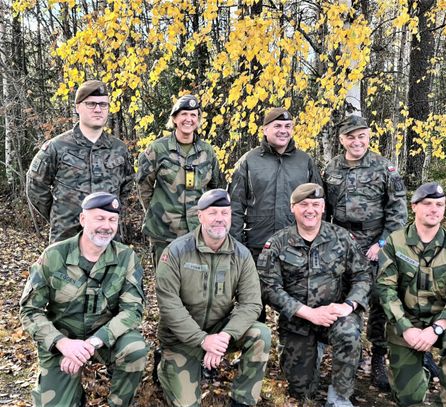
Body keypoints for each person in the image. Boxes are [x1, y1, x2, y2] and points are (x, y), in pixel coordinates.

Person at [19, 192, 148, 407]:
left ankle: (120, 403)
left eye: (112, 219)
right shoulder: (54, 256)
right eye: (100, 218)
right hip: (63, 340)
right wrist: (62, 344)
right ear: (82, 219)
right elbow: (30, 310)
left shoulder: (126, 257)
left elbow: (132, 310)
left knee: (135, 348)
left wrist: (93, 343)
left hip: (104, 338)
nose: (106, 226)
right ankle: (73, 393)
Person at [155, 189, 271, 407]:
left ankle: (242, 400)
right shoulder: (176, 252)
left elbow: (251, 303)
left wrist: (225, 336)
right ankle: (164, 366)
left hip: (219, 331)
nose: (220, 218)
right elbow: (169, 306)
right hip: (181, 338)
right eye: (213, 213)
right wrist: (203, 340)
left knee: (260, 334)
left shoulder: (241, 255)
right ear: (200, 216)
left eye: (225, 213)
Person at [258, 183, 371, 407]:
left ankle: (340, 396)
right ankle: (312, 354)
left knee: (348, 331)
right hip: (298, 321)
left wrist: (348, 305)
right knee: (301, 391)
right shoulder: (277, 243)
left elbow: (363, 275)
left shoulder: (342, 238)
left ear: (323, 208)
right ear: (293, 208)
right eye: (304, 205)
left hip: (334, 316)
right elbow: (269, 287)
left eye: (315, 204)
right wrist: (308, 313)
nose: (310, 210)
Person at [323, 114, 409, 390]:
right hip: (342, 243)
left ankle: (378, 357)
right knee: (346, 298)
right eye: (351, 137)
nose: (357, 142)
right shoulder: (332, 168)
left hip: (375, 243)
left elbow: (398, 212)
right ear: (341, 140)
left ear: (369, 137)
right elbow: (324, 210)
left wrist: (382, 243)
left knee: (379, 302)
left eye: (362, 136)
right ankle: (351, 352)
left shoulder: (384, 168)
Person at [376, 182, 446, 406]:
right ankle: (417, 376)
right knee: (408, 399)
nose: (434, 209)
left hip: (442, 320)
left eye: (440, 205)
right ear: (414, 206)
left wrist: (437, 327)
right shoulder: (395, 242)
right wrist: (405, 327)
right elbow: (385, 288)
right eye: (428, 203)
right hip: (405, 320)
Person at [26, 80, 134, 243]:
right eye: (91, 104)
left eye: (103, 104)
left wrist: (111, 214)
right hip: (67, 239)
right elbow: (35, 185)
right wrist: (60, 215)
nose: (98, 109)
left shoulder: (119, 149)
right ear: (78, 107)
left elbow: (127, 187)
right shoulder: (57, 147)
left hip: (107, 239)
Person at [136, 94, 221, 269]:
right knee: (165, 281)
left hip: (198, 232)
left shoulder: (207, 151)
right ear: (174, 118)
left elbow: (215, 190)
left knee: (195, 281)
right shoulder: (157, 149)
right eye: (184, 114)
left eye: (193, 115)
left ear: (198, 120)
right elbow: (143, 186)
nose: (188, 119)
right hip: (164, 232)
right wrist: (157, 211)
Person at [229, 107, 322, 262]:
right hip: (257, 246)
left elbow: (319, 207)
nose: (283, 131)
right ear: (265, 130)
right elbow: (235, 207)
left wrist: (315, 242)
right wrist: (237, 247)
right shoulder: (249, 161)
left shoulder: (305, 161)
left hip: (297, 246)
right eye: (277, 126)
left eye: (287, 126)